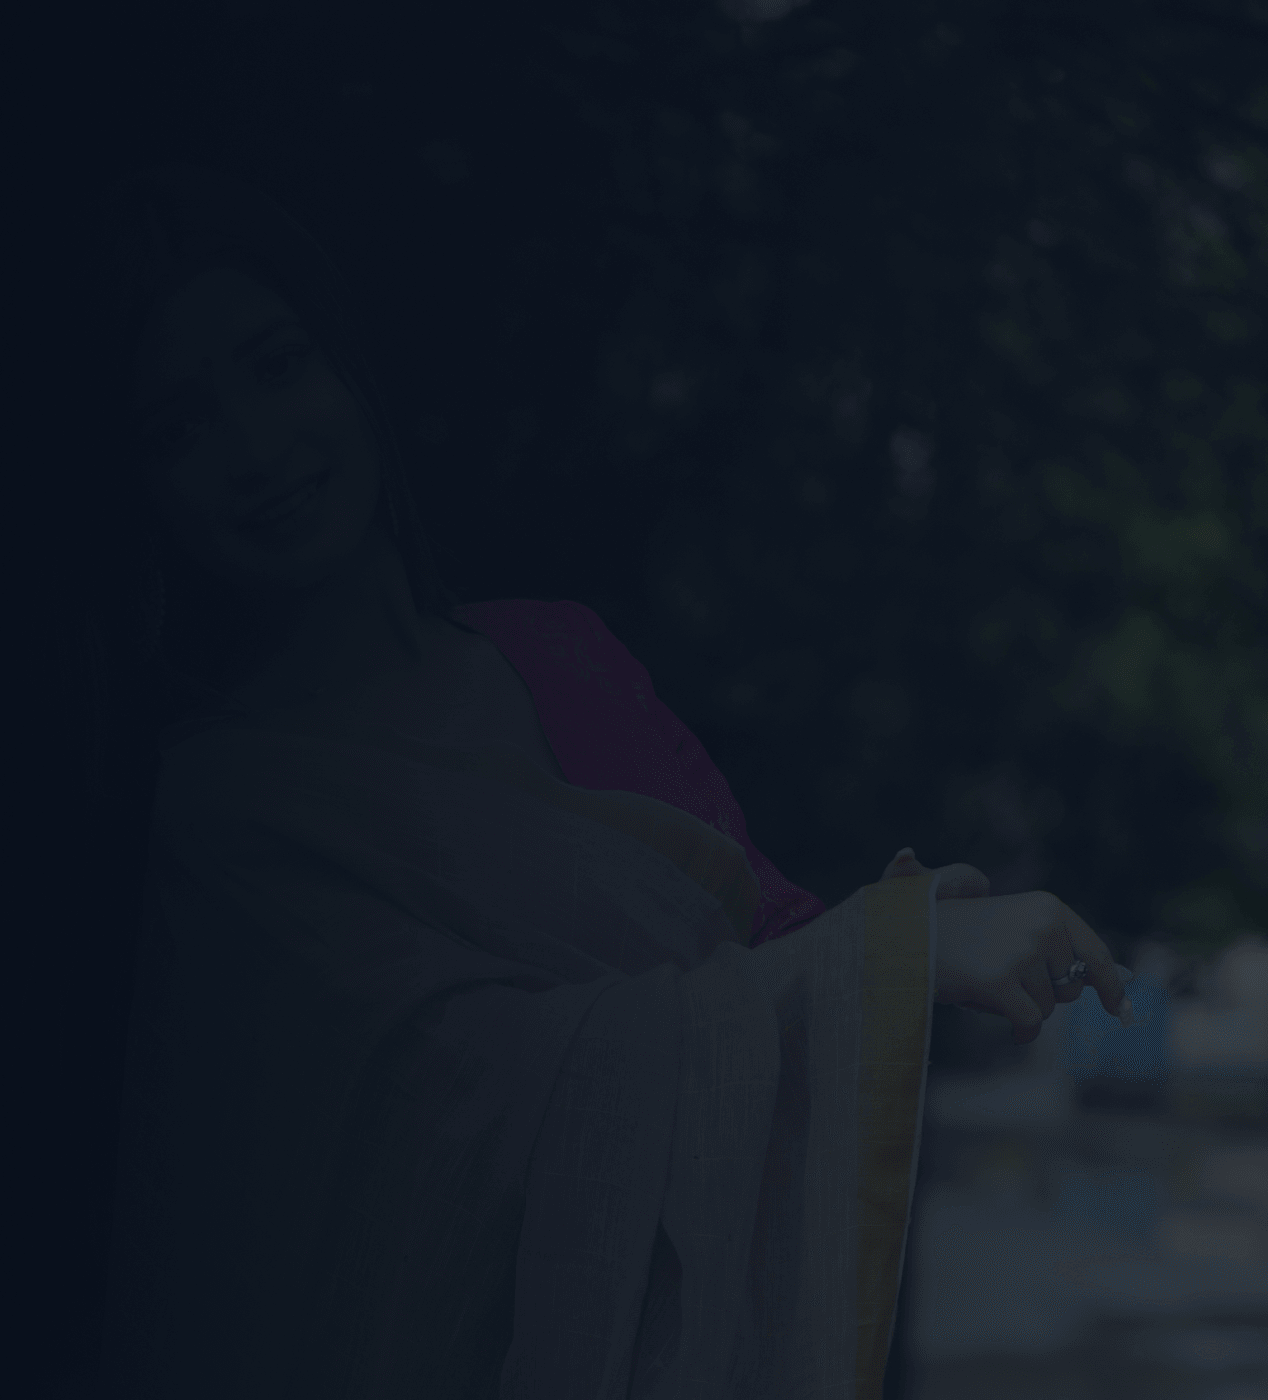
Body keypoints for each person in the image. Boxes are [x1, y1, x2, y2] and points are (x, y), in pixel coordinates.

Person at [97, 171, 1119, 1398]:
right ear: (139, 492)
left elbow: (768, 950)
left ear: (351, 373)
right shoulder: (228, 808)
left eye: (277, 366)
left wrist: (900, 943)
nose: (256, 449)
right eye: (179, 430)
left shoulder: (560, 656)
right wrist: (897, 957)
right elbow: (433, 1116)